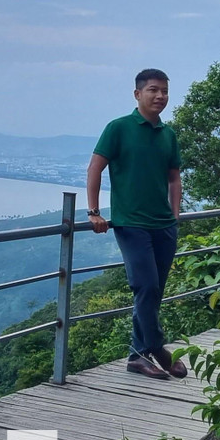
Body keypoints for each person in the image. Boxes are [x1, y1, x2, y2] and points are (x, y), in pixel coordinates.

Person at [85, 68, 187, 380]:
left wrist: (175, 215)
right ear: (137, 94)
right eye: (153, 90)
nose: (160, 96)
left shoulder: (167, 135)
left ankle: (136, 356)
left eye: (164, 91)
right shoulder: (118, 128)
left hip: (163, 226)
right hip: (131, 224)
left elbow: (174, 178)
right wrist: (94, 212)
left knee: (152, 294)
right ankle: (157, 348)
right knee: (146, 286)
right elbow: (95, 168)